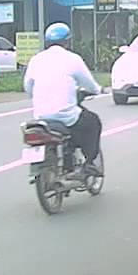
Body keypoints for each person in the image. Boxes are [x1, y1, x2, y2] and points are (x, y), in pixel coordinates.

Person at [23, 22, 104, 178]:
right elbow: (89, 84)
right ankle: (88, 164)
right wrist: (98, 89)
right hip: (65, 117)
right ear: (68, 41)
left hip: (40, 117)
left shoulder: (36, 60)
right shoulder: (73, 59)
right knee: (93, 122)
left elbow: (28, 87)